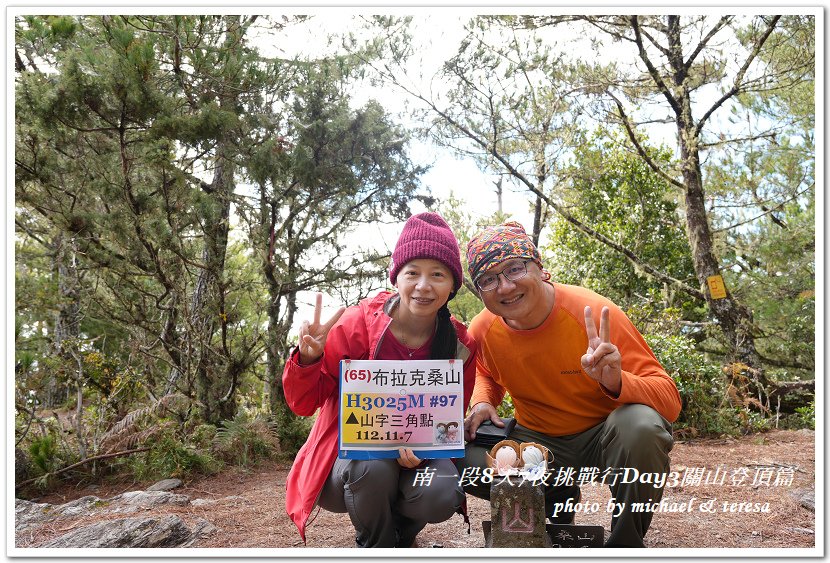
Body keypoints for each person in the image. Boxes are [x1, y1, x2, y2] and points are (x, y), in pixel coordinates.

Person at [459, 221, 681, 548]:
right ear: (479, 291)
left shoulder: (592, 313)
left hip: (603, 438)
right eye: (488, 280)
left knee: (641, 427)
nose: (504, 287)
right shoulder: (483, 328)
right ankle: (549, 503)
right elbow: (485, 371)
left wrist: (617, 381)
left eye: (515, 269)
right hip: (536, 443)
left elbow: (670, 401)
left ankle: (625, 545)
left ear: (539, 267)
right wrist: (483, 400)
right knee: (455, 453)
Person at [282, 212, 478, 548]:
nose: (423, 286)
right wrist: (309, 359)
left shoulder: (460, 344)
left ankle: (402, 537)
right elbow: (303, 404)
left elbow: (448, 416)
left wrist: (426, 448)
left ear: (453, 284)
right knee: (373, 468)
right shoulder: (355, 325)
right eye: (412, 273)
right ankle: (376, 545)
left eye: (438, 275)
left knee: (442, 489)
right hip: (350, 464)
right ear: (396, 277)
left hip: (421, 461)